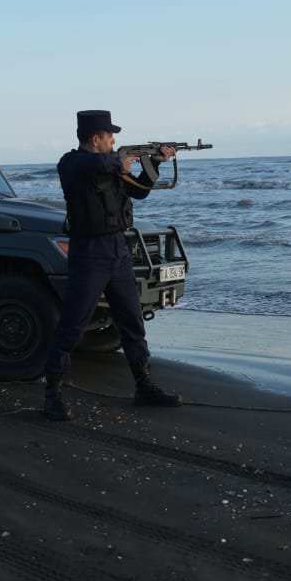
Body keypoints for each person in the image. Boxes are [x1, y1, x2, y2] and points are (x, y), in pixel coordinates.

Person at [42, 110, 182, 422]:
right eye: (109, 136)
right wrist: (120, 159)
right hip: (89, 251)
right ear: (96, 139)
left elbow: (140, 192)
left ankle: (144, 386)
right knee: (73, 324)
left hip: (118, 248)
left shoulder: (113, 166)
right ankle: (52, 391)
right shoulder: (73, 163)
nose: (114, 140)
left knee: (132, 321)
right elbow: (90, 164)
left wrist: (155, 162)